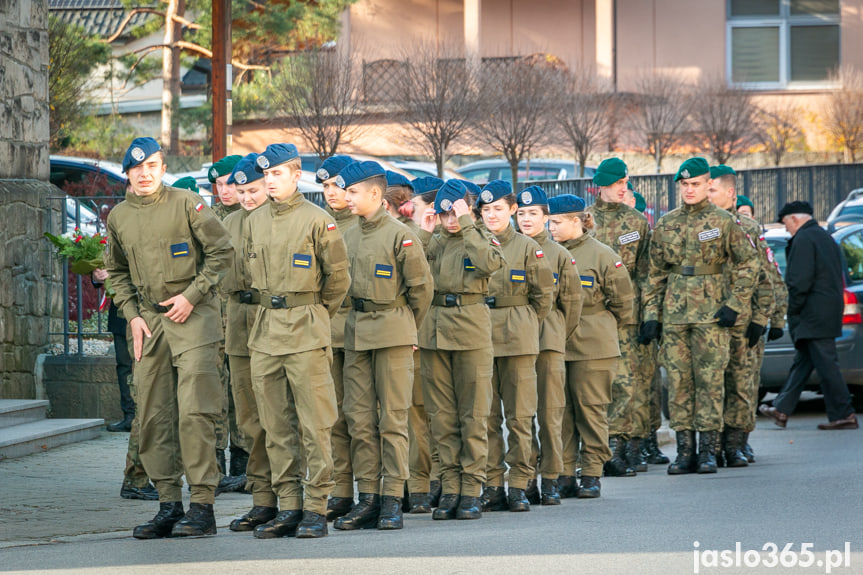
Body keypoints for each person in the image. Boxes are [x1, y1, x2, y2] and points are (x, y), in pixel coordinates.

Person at [105, 137, 234, 539]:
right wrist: (132, 317)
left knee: (195, 411)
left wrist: (192, 296)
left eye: (153, 166)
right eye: (137, 168)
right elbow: (117, 273)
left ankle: (202, 506)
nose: (145, 174)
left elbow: (222, 253)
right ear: (127, 173)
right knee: (155, 413)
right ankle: (168, 504)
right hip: (149, 323)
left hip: (194, 318)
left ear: (163, 169)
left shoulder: (187, 204)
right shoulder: (119, 217)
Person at [244, 143, 350, 539]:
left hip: (306, 329)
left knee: (315, 424)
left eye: (277, 174)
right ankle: (287, 505)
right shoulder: (253, 221)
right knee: (275, 425)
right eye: (266, 175)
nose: (270, 181)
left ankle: (316, 507)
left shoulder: (318, 221)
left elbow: (338, 282)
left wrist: (315, 315)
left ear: (295, 174)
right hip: (266, 330)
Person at [641, 157, 758, 475]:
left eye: (695, 184)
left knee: (709, 383)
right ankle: (685, 451)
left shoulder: (724, 221)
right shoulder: (667, 223)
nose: (689, 190)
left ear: (708, 185)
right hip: (676, 316)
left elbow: (749, 263)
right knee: (679, 385)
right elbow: (654, 274)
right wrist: (651, 315)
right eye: (685, 185)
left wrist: (734, 305)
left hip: (712, 315)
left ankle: (708, 450)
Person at [333, 161, 433, 531]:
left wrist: (405, 328)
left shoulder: (400, 234)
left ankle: (392, 498)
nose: (346, 198)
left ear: (375, 194)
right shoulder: (349, 235)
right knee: (359, 420)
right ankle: (368, 498)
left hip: (392, 330)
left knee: (393, 419)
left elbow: (422, 291)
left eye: (352, 192)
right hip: (357, 331)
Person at [417, 179, 504, 520]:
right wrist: (424, 232)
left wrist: (468, 222)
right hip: (434, 332)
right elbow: (409, 270)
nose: (450, 221)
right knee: (441, 417)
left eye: (455, 213)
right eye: (445, 214)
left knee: (473, 414)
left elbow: (488, 264)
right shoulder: (434, 240)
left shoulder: (481, 237)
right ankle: (450, 486)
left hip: (470, 332)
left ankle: (471, 488)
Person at [548, 194, 634, 499]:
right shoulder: (547, 253)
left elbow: (624, 304)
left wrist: (602, 329)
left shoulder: (603, 255)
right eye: (550, 222)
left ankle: (593, 472)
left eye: (556, 222)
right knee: (562, 412)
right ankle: (565, 473)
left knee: (591, 410)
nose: (551, 227)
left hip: (594, 345)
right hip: (557, 341)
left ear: (576, 221)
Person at [477, 180, 554, 513]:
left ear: (511, 210)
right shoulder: (474, 243)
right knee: (487, 417)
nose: (491, 215)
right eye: (485, 210)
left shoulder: (526, 247)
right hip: (479, 336)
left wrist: (524, 323)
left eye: (498, 209)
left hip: (518, 337)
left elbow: (544, 297)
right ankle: (493, 485)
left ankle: (520, 484)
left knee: (521, 417)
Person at [219, 154, 279, 532]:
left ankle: (293, 494)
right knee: (249, 420)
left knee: (279, 416)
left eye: (253, 190)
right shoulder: (228, 224)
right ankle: (262, 498)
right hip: (239, 327)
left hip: (274, 322)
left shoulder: (281, 220)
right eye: (240, 192)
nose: (246, 198)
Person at [759, 201, 858, 430]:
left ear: (794, 219)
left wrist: (791, 309)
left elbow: (799, 281)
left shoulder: (804, 240)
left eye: (786, 224)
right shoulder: (825, 237)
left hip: (813, 314)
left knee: (827, 367)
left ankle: (844, 414)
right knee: (803, 362)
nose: (786, 230)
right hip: (826, 312)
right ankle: (781, 409)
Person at [515, 186, 582, 505]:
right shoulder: (507, 248)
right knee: (520, 413)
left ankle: (552, 478)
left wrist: (556, 334)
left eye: (534, 214)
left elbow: (572, 304)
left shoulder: (559, 254)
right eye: (522, 213)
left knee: (550, 413)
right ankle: (525, 478)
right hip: (516, 343)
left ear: (545, 217)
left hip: (548, 342)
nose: (526, 219)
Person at [706, 165, 776, 467]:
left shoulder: (747, 229)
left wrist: (761, 319)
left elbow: (765, 279)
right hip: (708, 320)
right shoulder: (700, 228)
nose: (705, 195)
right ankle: (713, 446)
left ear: (729, 193)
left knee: (740, 385)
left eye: (712, 190)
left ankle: (735, 445)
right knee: (711, 386)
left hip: (741, 321)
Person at [586, 158, 650, 476]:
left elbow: (648, 273)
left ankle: (620, 448)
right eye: (617, 183)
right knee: (595, 385)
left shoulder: (637, 222)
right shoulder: (585, 220)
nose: (623, 188)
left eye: (625, 182)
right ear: (602, 186)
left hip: (626, 317)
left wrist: (649, 316)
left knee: (626, 384)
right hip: (591, 316)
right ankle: (597, 451)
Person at [384, 170, 443, 514]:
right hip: (408, 334)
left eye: (414, 204)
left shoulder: (413, 237)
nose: (409, 209)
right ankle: (411, 484)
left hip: (418, 333)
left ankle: (425, 483)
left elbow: (421, 290)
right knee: (406, 413)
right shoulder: (408, 234)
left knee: (422, 412)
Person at [315, 154, 359, 522]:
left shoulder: (365, 224)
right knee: (335, 418)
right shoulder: (319, 223)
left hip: (362, 334)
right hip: (329, 333)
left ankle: (380, 491)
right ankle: (341, 491)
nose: (331, 193)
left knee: (365, 418)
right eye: (326, 186)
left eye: (338, 185)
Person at [204, 155, 251, 491]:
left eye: (230, 183)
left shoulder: (250, 218)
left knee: (243, 391)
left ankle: (245, 461)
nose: (224, 190)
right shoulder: (206, 219)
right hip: (212, 318)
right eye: (218, 185)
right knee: (216, 392)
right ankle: (217, 465)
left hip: (241, 316)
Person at [738, 194, 787, 462]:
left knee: (747, 384)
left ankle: (742, 438)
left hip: (752, 321)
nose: (743, 216)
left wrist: (775, 319)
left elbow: (773, 281)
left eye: (747, 212)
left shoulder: (757, 240)